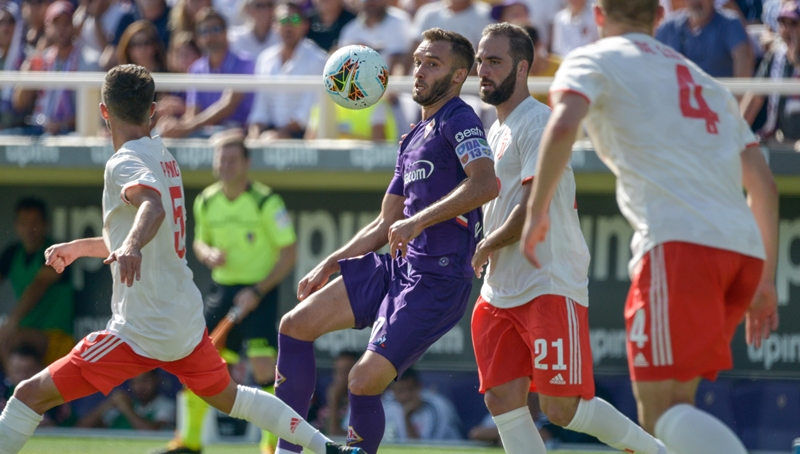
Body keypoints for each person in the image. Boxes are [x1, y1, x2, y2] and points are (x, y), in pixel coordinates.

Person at [0, 64, 364, 454]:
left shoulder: (123, 162)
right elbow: (139, 228)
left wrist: (132, 245)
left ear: (104, 112)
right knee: (235, 398)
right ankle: (328, 447)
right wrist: (84, 247)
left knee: (27, 395)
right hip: (183, 323)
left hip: (139, 330)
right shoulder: (164, 156)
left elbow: (151, 208)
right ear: (153, 110)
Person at [521, 1, 779, 453]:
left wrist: (537, 209)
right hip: (741, 250)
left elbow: (562, 125)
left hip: (678, 247)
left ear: (599, 16)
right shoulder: (704, 79)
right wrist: (766, 279)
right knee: (680, 404)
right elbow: (763, 183)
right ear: (659, 18)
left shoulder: (592, 56)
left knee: (660, 415)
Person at [275, 28, 498, 454]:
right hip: (399, 266)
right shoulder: (413, 135)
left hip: (437, 277)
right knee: (294, 326)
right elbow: (384, 223)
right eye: (417, 61)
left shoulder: (460, 118)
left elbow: (486, 183)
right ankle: (289, 451)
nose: (419, 71)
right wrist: (330, 263)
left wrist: (419, 222)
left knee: (362, 380)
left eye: (432, 64)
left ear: (458, 76)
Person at [473, 23, 667, 454]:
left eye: (494, 61)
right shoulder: (495, 130)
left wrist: (487, 243)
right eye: (480, 60)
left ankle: (657, 451)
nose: (483, 70)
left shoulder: (539, 121)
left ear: (522, 68)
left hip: (547, 281)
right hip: (500, 289)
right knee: (501, 397)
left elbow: (529, 206)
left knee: (561, 408)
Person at [161, 128, 297, 454]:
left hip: (259, 291)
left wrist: (258, 292)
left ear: (247, 163)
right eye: (221, 159)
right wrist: (205, 252)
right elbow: (198, 240)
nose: (226, 165)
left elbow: (288, 254)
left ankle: (271, 446)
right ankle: (189, 442)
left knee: (264, 366)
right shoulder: (206, 200)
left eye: (233, 159)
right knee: (199, 361)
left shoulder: (266, 201)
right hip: (222, 290)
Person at [0, 197, 75, 366]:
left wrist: (11, 321)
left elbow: (38, 286)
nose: (29, 229)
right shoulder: (13, 253)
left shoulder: (57, 251)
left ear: (45, 224)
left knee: (8, 339)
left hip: (56, 339)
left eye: (34, 222)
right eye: (23, 223)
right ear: (16, 225)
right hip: (22, 336)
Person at [159, 7, 254, 138]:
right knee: (161, 133)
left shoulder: (244, 63)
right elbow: (193, 112)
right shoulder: (196, 69)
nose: (210, 36)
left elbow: (228, 106)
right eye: (204, 31)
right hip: (204, 132)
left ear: (226, 33)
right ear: (198, 38)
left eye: (215, 29)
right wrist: (174, 126)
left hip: (237, 133)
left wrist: (185, 127)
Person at [11, 1, 100, 136]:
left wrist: (62, 124)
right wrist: (31, 65)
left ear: (73, 26)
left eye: (66, 24)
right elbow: (19, 103)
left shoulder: (89, 61)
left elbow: (93, 112)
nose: (61, 29)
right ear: (47, 29)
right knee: (9, 136)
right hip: (40, 129)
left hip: (72, 132)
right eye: (56, 24)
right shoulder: (42, 58)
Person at [247, 1, 327, 140]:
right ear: (274, 25)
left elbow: (305, 115)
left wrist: (276, 135)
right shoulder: (265, 59)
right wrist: (254, 134)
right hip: (269, 133)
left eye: (294, 19)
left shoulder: (318, 60)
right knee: (229, 140)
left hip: (303, 135)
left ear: (305, 25)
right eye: (283, 20)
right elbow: (260, 108)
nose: (288, 25)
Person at [655, 0, 754, 78]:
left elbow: (744, 67)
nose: (696, 1)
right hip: (675, 100)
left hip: (717, 101)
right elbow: (651, 61)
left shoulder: (731, 24)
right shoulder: (669, 27)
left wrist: (734, 102)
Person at [76, 370, 176, 431]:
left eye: (145, 380)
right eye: (135, 382)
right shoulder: (124, 402)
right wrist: (107, 404)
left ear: (156, 380)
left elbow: (153, 433)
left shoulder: (166, 405)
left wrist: (127, 409)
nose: (140, 386)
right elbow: (81, 429)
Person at [382, 368, 461, 441]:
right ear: (391, 390)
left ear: (419, 386)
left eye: (410, 389)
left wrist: (407, 417)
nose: (406, 395)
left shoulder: (437, 407)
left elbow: (422, 450)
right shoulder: (387, 406)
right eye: (400, 391)